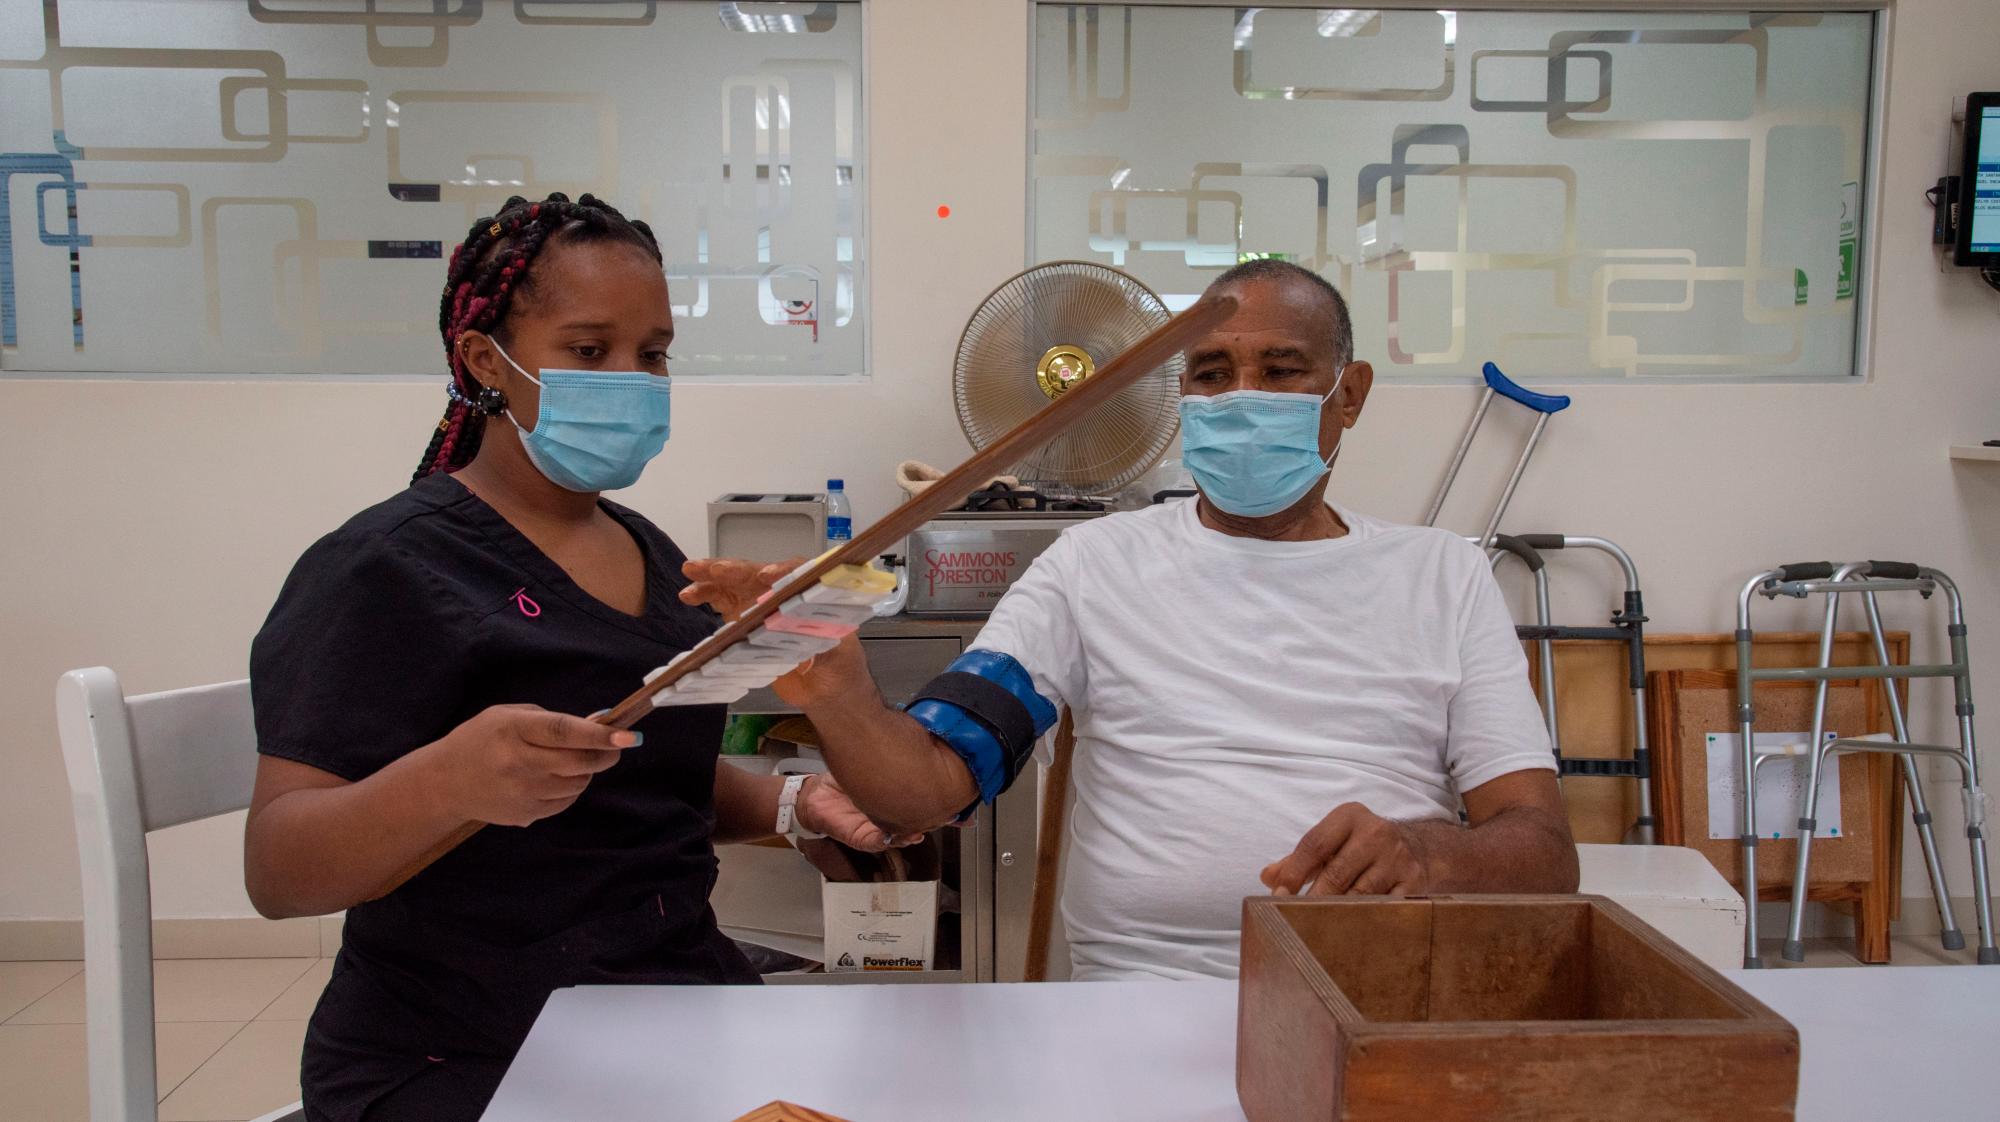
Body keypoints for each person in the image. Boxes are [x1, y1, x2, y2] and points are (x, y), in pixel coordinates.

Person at [685, 259, 1578, 982]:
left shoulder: (1443, 577)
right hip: (1141, 1000)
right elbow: (925, 786)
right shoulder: (1095, 566)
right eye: (1212, 373)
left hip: (1370, 998)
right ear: (1179, 397)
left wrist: (1433, 854)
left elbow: (1542, 852)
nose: (1241, 399)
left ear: (1349, 394)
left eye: (1281, 370)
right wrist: (840, 691)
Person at [243, 192, 907, 1122]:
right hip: (464, 1044)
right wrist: (451, 781)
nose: (632, 380)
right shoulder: (385, 568)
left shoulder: (654, 556)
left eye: (654, 353)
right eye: (591, 352)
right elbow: (278, 871)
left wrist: (792, 803)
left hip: (667, 1004)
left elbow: (638, 781)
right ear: (486, 361)